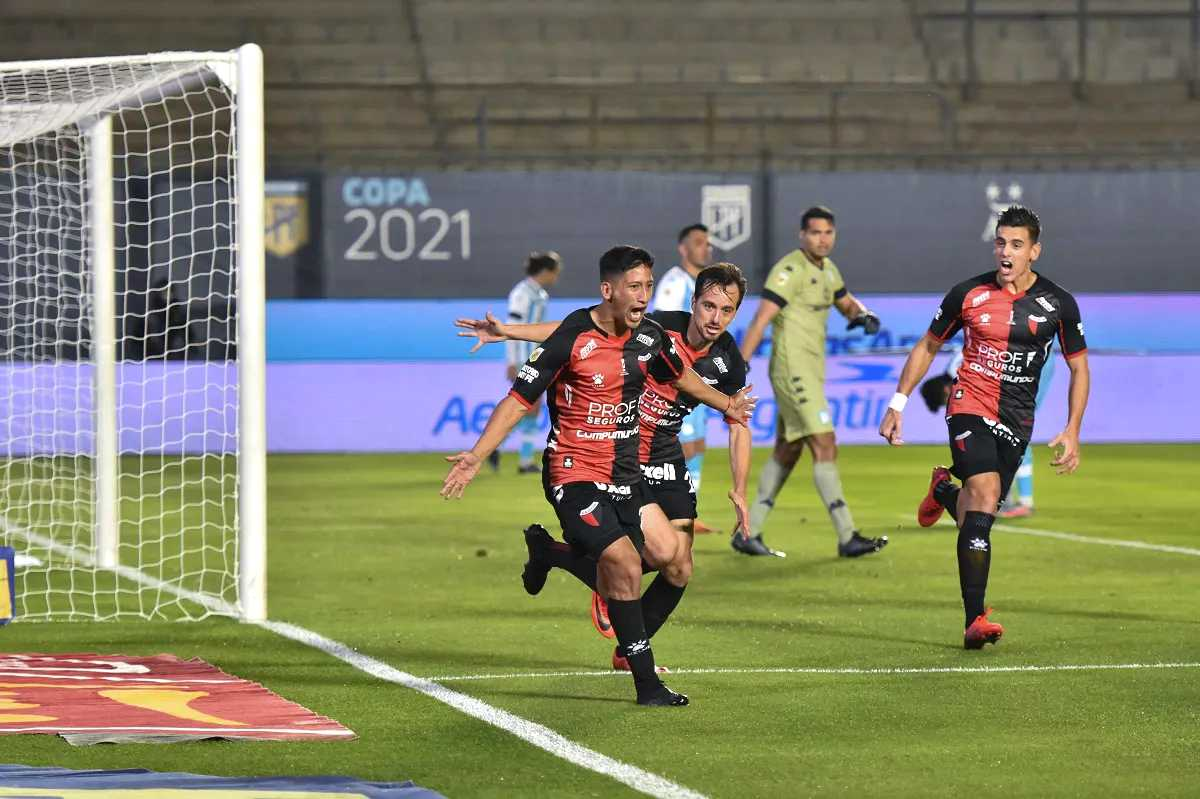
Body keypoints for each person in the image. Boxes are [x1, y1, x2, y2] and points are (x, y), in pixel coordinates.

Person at [441, 246, 756, 706]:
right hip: (574, 472)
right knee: (626, 565)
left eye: (648, 286)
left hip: (629, 469)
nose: (644, 296)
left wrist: (728, 406)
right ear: (608, 290)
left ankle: (551, 552)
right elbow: (521, 395)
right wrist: (477, 453)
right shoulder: (577, 335)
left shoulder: (651, 336)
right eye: (635, 287)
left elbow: (681, 375)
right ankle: (646, 685)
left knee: (673, 556)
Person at [879, 205, 1090, 649]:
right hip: (968, 403)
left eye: (1016, 244)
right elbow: (929, 345)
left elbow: (1079, 368)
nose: (1005, 252)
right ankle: (974, 620)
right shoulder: (967, 294)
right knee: (988, 492)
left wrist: (1072, 428)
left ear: (1035, 250)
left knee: (979, 515)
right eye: (1000, 243)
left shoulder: (1058, 304)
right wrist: (898, 404)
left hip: (1018, 419)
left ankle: (942, 492)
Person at [736, 206, 887, 558]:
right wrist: (739, 365)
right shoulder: (790, 270)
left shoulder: (829, 270)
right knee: (824, 443)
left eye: (828, 232)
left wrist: (863, 316)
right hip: (793, 370)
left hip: (811, 370)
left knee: (787, 450)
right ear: (802, 235)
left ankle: (748, 530)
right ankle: (847, 534)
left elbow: (847, 303)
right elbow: (761, 319)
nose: (823, 239)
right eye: (816, 232)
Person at [920, 348, 1056, 518]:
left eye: (943, 402)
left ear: (946, 390)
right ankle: (1006, 499)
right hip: (1029, 362)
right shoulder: (955, 366)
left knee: (1014, 430)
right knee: (1008, 431)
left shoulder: (958, 372)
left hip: (1031, 363)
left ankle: (1021, 502)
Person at [651, 224, 717, 532]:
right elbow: (659, 329)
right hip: (677, 378)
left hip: (697, 377)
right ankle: (667, 514)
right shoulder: (674, 283)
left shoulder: (701, 285)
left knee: (698, 445)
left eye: (708, 243)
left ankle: (687, 514)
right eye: (699, 242)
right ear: (683, 248)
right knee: (684, 447)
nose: (706, 248)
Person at [491, 251, 562, 473]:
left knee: (530, 407)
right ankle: (515, 455)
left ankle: (508, 452)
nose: (557, 276)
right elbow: (510, 328)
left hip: (536, 357)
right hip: (524, 359)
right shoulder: (522, 294)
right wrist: (511, 361)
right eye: (555, 271)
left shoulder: (539, 294)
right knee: (526, 406)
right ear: (546, 271)